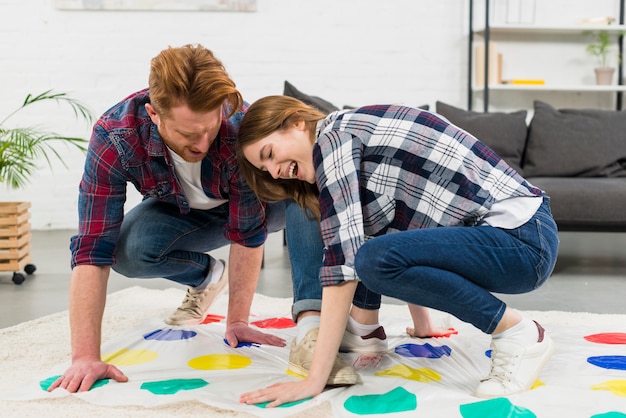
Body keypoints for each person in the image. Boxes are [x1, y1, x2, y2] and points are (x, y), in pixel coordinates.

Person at [235, 96, 560, 406]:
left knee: (370, 258)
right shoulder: (349, 135)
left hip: (522, 241)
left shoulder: (332, 143)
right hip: (519, 237)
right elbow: (409, 231)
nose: (275, 171)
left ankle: (517, 332)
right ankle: (364, 331)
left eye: (269, 154)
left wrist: (313, 381)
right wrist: (423, 325)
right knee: (373, 250)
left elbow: (344, 262)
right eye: (265, 170)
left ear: (296, 123)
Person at [47, 44, 323, 393]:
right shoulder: (115, 137)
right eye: (189, 134)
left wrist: (237, 321)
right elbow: (91, 248)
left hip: (270, 203)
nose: (203, 143)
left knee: (309, 191)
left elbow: (248, 232)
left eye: (210, 128)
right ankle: (207, 276)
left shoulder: (237, 127)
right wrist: (85, 357)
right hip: (185, 212)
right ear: (154, 114)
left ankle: (313, 323)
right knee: (125, 250)